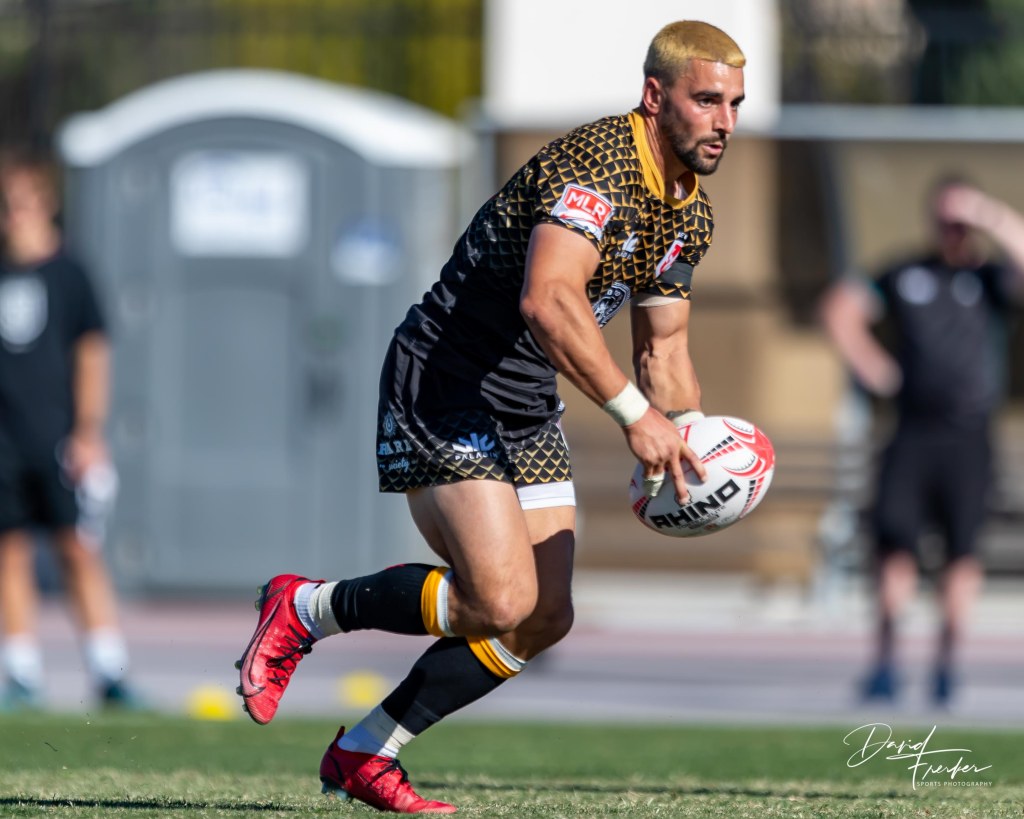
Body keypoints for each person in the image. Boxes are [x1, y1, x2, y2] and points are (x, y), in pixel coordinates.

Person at [237, 20, 744, 813]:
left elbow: (664, 349)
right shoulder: (599, 164)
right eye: (707, 100)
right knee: (497, 599)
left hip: (525, 398)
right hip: (448, 377)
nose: (725, 121)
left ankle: (368, 749)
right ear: (655, 95)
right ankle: (305, 607)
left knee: (544, 614)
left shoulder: (690, 213)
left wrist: (689, 442)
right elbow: (548, 300)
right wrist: (633, 416)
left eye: (735, 104)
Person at [820, 177, 1024, 707]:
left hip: (970, 436)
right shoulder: (906, 272)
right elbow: (841, 308)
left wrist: (989, 216)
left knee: (962, 553)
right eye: (945, 219)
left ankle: (946, 667)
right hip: (912, 431)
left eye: (961, 221)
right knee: (895, 546)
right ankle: (886, 663)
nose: (952, 230)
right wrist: (872, 366)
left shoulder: (990, 279)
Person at [0, 146, 138, 710]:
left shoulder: (70, 273)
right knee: (9, 551)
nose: (13, 215)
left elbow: (92, 355)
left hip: (58, 438)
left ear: (45, 203)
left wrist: (87, 430)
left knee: (78, 550)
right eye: (6, 205)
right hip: (4, 442)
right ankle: (21, 674)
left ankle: (111, 673)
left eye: (22, 203)